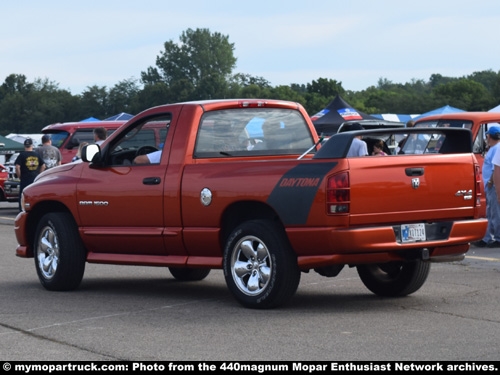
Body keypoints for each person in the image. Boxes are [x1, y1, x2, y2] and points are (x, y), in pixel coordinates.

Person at [477, 126, 500, 247]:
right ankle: (487, 237)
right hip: (490, 185)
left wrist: (491, 182)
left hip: (492, 185)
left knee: (495, 213)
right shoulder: (494, 148)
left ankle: (497, 237)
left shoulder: (496, 149)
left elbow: (495, 169)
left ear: (489, 136)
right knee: (490, 212)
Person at [15, 138, 46, 211]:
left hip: (25, 178)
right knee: (34, 195)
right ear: (32, 145)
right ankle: (35, 210)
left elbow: (17, 167)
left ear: (25, 146)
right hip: (35, 178)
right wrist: (39, 175)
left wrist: (20, 176)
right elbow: (43, 165)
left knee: (23, 196)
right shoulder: (36, 155)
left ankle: (22, 211)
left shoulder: (21, 155)